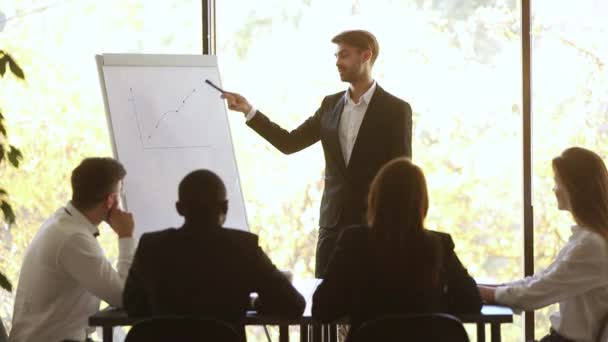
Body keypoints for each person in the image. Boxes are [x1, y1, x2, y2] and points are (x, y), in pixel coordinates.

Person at [221, 30, 412, 278]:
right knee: (324, 305)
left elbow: (403, 174)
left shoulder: (396, 109)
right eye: (336, 55)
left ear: (366, 55)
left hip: (375, 228)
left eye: (344, 55)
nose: (337, 62)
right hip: (331, 227)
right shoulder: (329, 105)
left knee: (368, 307)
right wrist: (249, 111)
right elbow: (289, 143)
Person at [123, 169, 305, 339]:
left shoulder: (151, 246)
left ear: (179, 208)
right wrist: (256, 304)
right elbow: (293, 304)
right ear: (224, 207)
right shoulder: (243, 247)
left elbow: (133, 306)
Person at [311, 157, 481, 338]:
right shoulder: (439, 244)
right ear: (422, 203)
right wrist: (435, 304)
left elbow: (322, 308)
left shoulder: (354, 242)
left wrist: (355, 301)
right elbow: (471, 300)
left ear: (375, 198)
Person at [479, 147, 608, 342]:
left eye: (557, 181)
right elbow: (540, 281)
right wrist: (485, 287)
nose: (554, 189)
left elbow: (534, 294)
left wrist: (479, 291)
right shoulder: (586, 239)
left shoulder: (592, 245)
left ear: (574, 187)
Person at [9, 158, 135, 342]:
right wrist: (125, 235)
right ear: (110, 201)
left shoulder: (63, 222)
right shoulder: (74, 239)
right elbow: (125, 297)